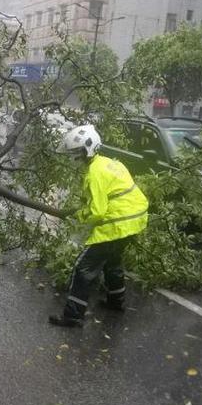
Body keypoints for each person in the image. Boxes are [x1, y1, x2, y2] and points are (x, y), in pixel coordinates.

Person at [49, 125, 149, 328]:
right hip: (136, 219)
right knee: (113, 261)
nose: (73, 157)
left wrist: (78, 214)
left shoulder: (94, 173)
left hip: (118, 222)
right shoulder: (109, 163)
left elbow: (97, 212)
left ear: (87, 150)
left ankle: (73, 316)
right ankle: (116, 302)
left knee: (83, 267)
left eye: (75, 153)